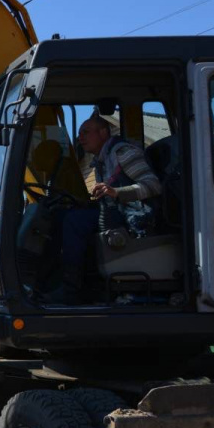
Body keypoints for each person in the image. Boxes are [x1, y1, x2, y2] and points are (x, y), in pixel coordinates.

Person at [54, 115, 162, 303]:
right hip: (116, 213)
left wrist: (117, 192)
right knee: (64, 215)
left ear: (103, 132)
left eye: (86, 132)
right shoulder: (100, 161)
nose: (80, 138)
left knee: (75, 222)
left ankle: (71, 290)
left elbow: (153, 186)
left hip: (135, 218)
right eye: (79, 134)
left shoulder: (123, 153)